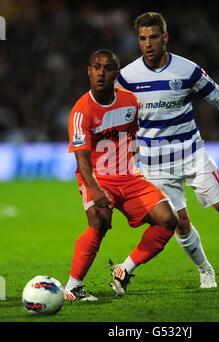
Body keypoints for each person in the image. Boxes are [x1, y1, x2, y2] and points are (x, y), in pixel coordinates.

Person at [115, 12, 219, 290]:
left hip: (192, 155)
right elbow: (117, 114)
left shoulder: (186, 70)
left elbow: (218, 97)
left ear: (165, 37)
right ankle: (205, 271)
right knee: (180, 224)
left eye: (154, 37)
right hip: (154, 164)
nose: (148, 44)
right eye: (142, 38)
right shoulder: (127, 77)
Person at [64, 49, 178, 300]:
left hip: (128, 176)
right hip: (96, 176)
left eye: (107, 68)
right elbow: (81, 159)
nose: (101, 73)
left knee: (168, 220)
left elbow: (132, 135)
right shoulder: (81, 111)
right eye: (96, 67)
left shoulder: (129, 101)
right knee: (99, 222)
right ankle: (73, 286)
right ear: (89, 71)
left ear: (116, 73)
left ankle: (124, 270)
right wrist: (94, 188)